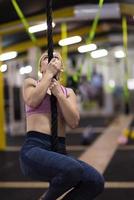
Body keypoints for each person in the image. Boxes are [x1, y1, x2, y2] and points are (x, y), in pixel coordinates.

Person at [19, 51, 104, 200]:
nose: (51, 60)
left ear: (61, 67)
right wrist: (48, 75)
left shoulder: (68, 92)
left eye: (56, 58)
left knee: (95, 182)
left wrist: (59, 94)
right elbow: (32, 101)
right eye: (46, 58)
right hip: (35, 149)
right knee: (72, 169)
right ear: (40, 68)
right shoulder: (31, 83)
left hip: (60, 150)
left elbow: (73, 122)